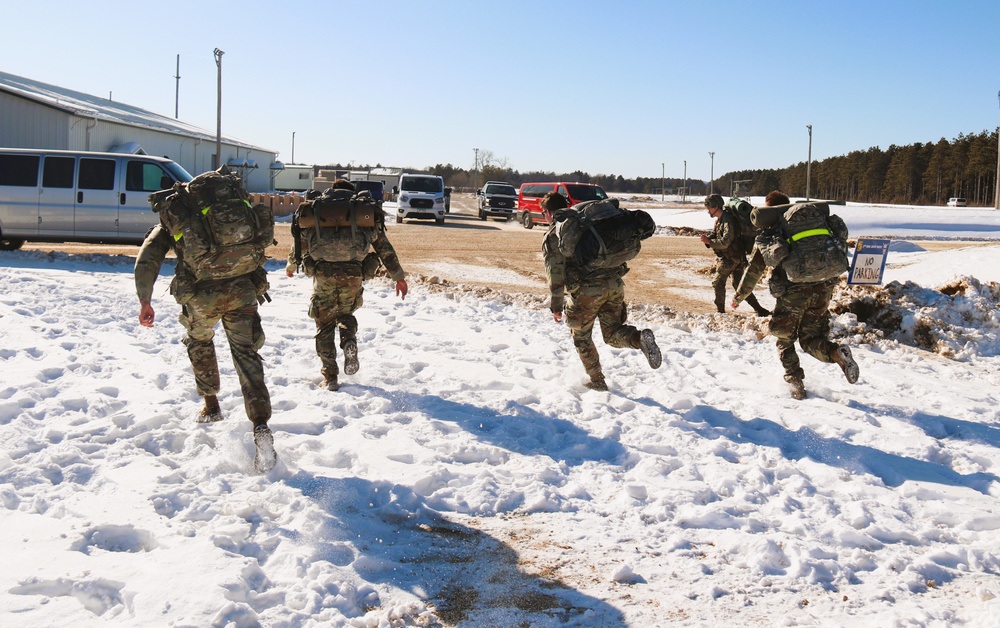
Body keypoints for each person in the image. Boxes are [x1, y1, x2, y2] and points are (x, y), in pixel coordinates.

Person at [135, 168, 276, 472]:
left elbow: (149, 257)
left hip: (201, 297)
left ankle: (211, 406)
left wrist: (144, 299)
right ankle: (261, 424)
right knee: (246, 354)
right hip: (242, 290)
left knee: (199, 340)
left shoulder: (181, 214)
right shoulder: (237, 206)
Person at [731, 190, 859, 399]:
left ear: (769, 208)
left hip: (793, 293)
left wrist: (739, 297)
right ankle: (836, 353)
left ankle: (796, 384)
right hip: (823, 289)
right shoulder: (816, 223)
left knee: (785, 339)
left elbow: (754, 270)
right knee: (810, 339)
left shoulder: (772, 232)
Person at [287, 179, 407, 391]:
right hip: (353, 275)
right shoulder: (362, 213)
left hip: (323, 275)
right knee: (345, 314)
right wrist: (398, 277)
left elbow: (300, 243)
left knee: (324, 326)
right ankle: (348, 340)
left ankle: (330, 377)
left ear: (332, 191)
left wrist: (291, 266)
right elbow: (383, 248)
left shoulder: (317, 211)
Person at [541, 191, 661, 391]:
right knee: (613, 333)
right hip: (614, 285)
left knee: (581, 337)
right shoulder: (584, 223)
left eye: (543, 212)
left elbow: (555, 273)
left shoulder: (556, 234)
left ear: (549, 213)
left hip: (586, 292)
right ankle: (638, 339)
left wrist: (556, 305)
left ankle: (597, 381)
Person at [700, 194, 770, 316]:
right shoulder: (721, 220)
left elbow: (725, 242)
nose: (707, 211)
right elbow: (716, 234)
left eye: (709, 208)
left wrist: (710, 242)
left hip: (731, 258)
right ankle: (759, 309)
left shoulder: (728, 221)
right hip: (735, 257)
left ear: (715, 207)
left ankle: (720, 311)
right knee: (737, 284)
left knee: (718, 282)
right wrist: (708, 238)